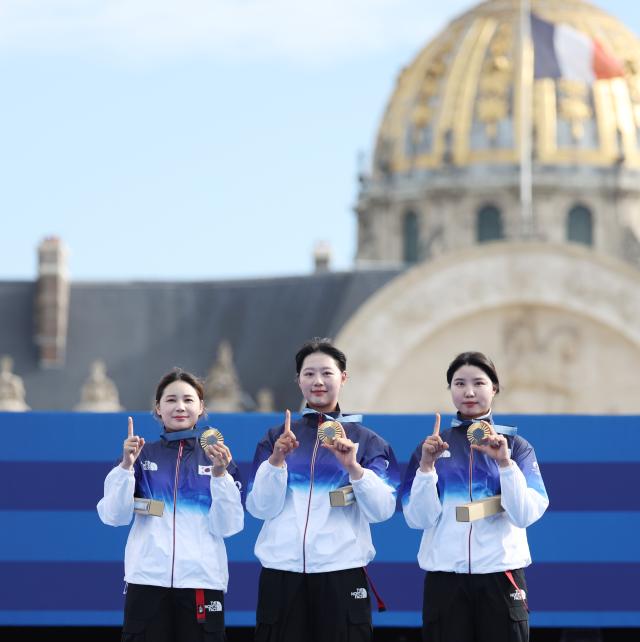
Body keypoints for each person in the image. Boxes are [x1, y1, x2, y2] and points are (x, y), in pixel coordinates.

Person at [246, 338, 400, 642]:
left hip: (341, 574)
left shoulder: (368, 441)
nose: (318, 381)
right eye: (309, 374)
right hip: (282, 574)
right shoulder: (276, 438)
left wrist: (354, 468)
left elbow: (382, 511)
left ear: (343, 377)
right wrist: (276, 461)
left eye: (327, 373)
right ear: (298, 380)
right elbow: (259, 508)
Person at [401, 351, 549, 642]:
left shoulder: (516, 446)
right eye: (459, 384)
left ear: (494, 388)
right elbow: (418, 519)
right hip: (445, 580)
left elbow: (524, 514)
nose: (469, 392)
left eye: (479, 383)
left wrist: (505, 464)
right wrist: (427, 466)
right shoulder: (431, 447)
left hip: (501, 576)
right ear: (450, 390)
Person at [97, 368, 244, 642]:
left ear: (201, 407)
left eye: (188, 400)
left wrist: (220, 475)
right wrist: (126, 466)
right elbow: (113, 516)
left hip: (202, 581)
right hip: (147, 581)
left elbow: (230, 525)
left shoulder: (218, 459)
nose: (180, 407)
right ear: (158, 407)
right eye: (171, 400)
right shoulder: (141, 455)